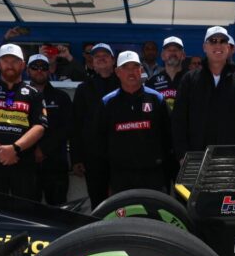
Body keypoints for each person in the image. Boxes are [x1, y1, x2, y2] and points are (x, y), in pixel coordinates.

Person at [0, 44, 47, 200]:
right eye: (5, 61)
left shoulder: (35, 94)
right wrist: (0, 151)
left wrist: (14, 149)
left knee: (25, 208)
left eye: (15, 61)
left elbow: (39, 127)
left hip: (23, 160)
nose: (10, 65)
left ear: (23, 65)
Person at [98, 51, 173, 193]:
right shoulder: (107, 102)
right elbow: (100, 140)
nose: (131, 72)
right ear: (117, 72)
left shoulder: (156, 99)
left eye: (135, 67)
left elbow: (168, 135)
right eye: (126, 68)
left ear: (141, 70)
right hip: (121, 175)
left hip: (153, 174)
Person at [171, 26, 235, 159]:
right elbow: (179, 120)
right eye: (213, 41)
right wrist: (182, 155)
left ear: (228, 47)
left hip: (230, 158)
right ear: (204, 47)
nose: (218, 45)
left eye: (223, 41)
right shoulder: (189, 79)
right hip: (196, 157)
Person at [72, 43, 120, 208]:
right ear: (92, 62)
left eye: (105, 56)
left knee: (122, 201)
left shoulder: (124, 84)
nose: (101, 59)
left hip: (121, 154)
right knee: (98, 203)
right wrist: (77, 158)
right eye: (97, 56)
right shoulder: (83, 88)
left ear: (113, 60)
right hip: (93, 156)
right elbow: (76, 124)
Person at [27, 54, 72, 204]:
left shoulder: (62, 97)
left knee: (58, 210)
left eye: (43, 67)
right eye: (35, 67)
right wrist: (32, 149)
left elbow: (67, 128)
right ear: (27, 70)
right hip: (27, 163)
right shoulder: (19, 96)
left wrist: (43, 149)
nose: (39, 71)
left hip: (56, 164)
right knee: (27, 210)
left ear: (49, 70)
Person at [146, 36, 186, 112]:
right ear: (162, 56)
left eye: (176, 50)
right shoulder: (152, 82)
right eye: (169, 50)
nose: (172, 53)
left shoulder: (192, 80)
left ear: (183, 55)